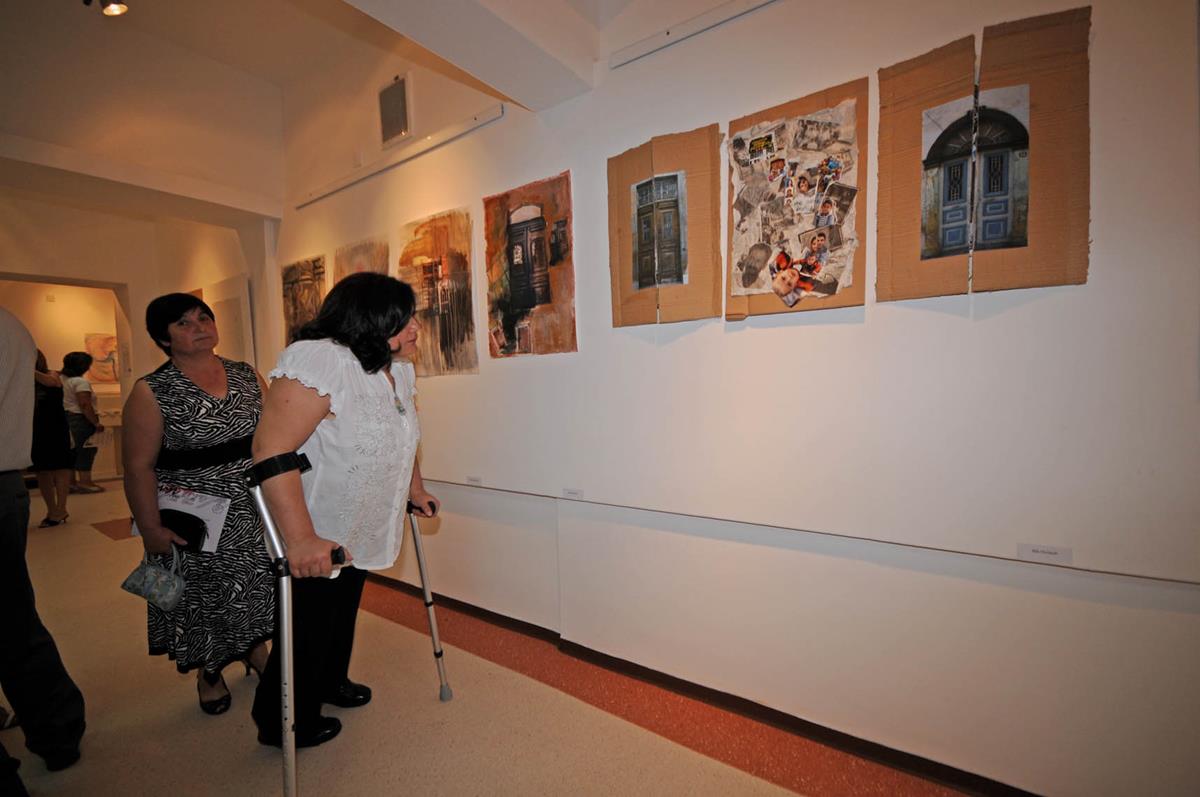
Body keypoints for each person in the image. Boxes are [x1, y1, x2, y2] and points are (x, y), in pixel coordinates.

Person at [250, 272, 439, 749]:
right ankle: (282, 719)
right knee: (308, 621)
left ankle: (330, 681)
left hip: (363, 517)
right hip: (315, 521)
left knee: (341, 609)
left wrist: (415, 489)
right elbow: (271, 449)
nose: (416, 327)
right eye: (405, 319)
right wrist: (300, 540)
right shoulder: (321, 360)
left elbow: (403, 435)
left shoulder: (396, 369)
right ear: (370, 319)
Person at [121, 294, 273, 715]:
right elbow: (137, 467)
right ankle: (210, 671)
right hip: (194, 514)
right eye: (184, 323)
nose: (199, 327)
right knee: (205, 597)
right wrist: (150, 529)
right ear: (163, 339)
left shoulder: (246, 374)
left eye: (204, 318)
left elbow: (271, 437)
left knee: (254, 586)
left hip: (252, 506)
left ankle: (255, 649)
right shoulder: (152, 390)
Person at [0, 308, 86, 795]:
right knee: (13, 620)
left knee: (12, 620)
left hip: (4, 480)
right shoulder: (12, 326)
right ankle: (56, 729)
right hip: (8, 482)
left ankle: (56, 728)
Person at [32, 350, 74, 527]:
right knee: (42, 471)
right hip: (36, 429)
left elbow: (52, 382)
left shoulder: (52, 374)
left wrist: (26, 369)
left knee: (61, 469)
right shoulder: (26, 381)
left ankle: (61, 508)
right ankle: (52, 510)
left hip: (56, 427)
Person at [59, 352, 104, 493]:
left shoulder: (61, 380)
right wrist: (96, 423)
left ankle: (71, 483)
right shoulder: (80, 382)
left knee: (71, 451)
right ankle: (85, 482)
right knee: (86, 450)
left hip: (66, 417)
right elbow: (84, 404)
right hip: (80, 419)